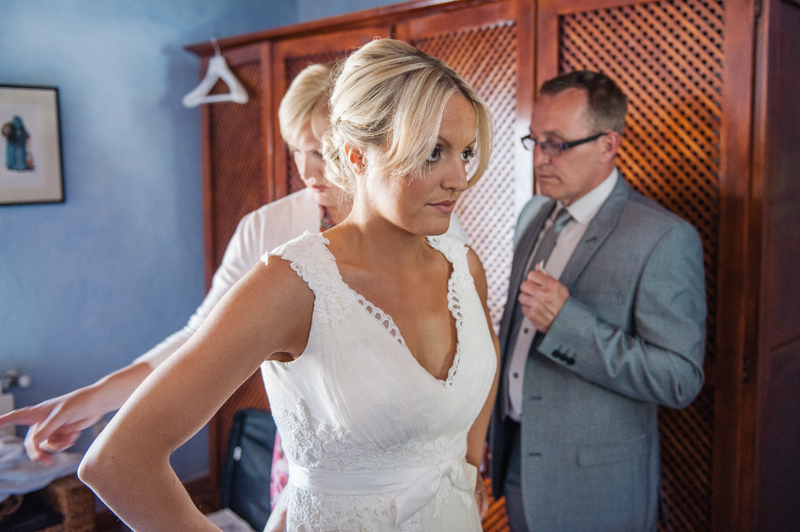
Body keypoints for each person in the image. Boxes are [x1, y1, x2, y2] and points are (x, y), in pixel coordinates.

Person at [78, 38, 500, 532]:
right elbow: (118, 462)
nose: (459, 178)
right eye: (432, 153)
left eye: (465, 152)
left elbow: (482, 360)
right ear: (356, 156)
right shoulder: (294, 285)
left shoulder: (464, 267)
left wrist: (468, 463)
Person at [0, 61, 469, 475]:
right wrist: (98, 397)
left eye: (320, 152)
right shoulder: (267, 229)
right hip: (329, 461)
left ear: (360, 149)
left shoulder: (436, 226)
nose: (307, 171)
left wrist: (466, 462)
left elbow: (465, 346)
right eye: (297, 150)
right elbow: (199, 338)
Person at [489, 70, 707, 532]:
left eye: (557, 144)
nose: (540, 159)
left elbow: (680, 379)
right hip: (517, 465)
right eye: (535, 141)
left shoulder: (664, 238)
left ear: (608, 145)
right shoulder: (532, 213)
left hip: (596, 488)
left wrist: (567, 324)